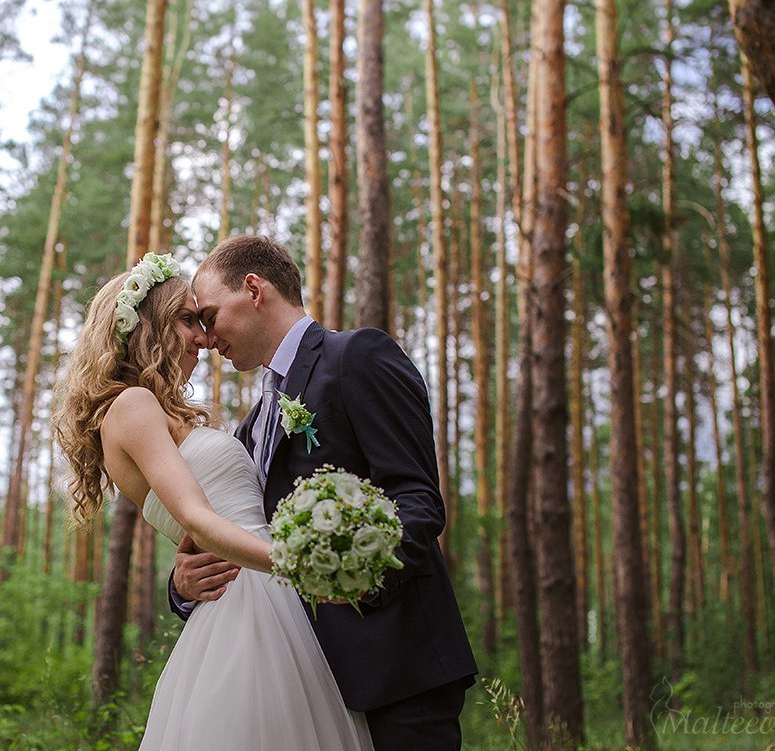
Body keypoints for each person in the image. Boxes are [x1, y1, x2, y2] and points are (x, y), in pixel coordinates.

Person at [52, 252, 373, 751]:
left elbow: (200, 535)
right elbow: (198, 521)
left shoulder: (158, 414)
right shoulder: (132, 406)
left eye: (203, 319)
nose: (203, 337)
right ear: (148, 327)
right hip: (257, 600)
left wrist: (186, 579)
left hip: (269, 599)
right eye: (187, 320)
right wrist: (302, 566)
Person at [172, 235, 478, 751]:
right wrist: (184, 587)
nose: (205, 338)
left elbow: (418, 497)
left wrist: (359, 582)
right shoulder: (252, 427)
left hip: (395, 666)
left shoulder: (357, 356)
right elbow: (244, 534)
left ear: (253, 289)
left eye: (208, 315)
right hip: (301, 682)